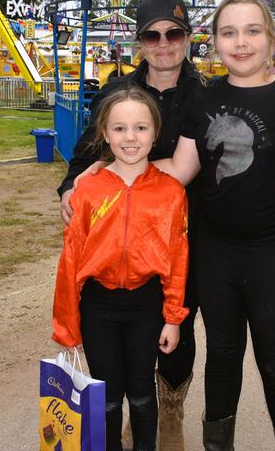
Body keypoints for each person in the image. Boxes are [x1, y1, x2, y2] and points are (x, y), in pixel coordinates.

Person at [57, 0, 275, 450]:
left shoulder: (209, 93)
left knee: (180, 327)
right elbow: (85, 154)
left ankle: (168, 410)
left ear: (189, 39)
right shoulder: (115, 94)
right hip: (122, 239)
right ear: (140, 41)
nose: (164, 44)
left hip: (190, 236)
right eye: (153, 35)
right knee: (122, 331)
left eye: (174, 33)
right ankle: (132, 411)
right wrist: (72, 187)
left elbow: (250, 149)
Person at [151, 0, 275, 450]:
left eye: (252, 31)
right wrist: (109, 168)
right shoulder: (205, 99)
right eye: (228, 32)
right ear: (213, 41)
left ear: (272, 39)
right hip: (214, 254)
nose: (240, 42)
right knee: (223, 357)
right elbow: (180, 169)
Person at [52, 85, 189, 451]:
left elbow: (178, 257)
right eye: (120, 128)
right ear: (104, 133)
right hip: (98, 306)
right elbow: (70, 260)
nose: (130, 137)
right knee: (107, 395)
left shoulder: (171, 192)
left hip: (147, 304)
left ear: (155, 133)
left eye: (141, 128)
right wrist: (67, 326)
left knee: (142, 393)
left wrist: (173, 317)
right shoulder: (88, 190)